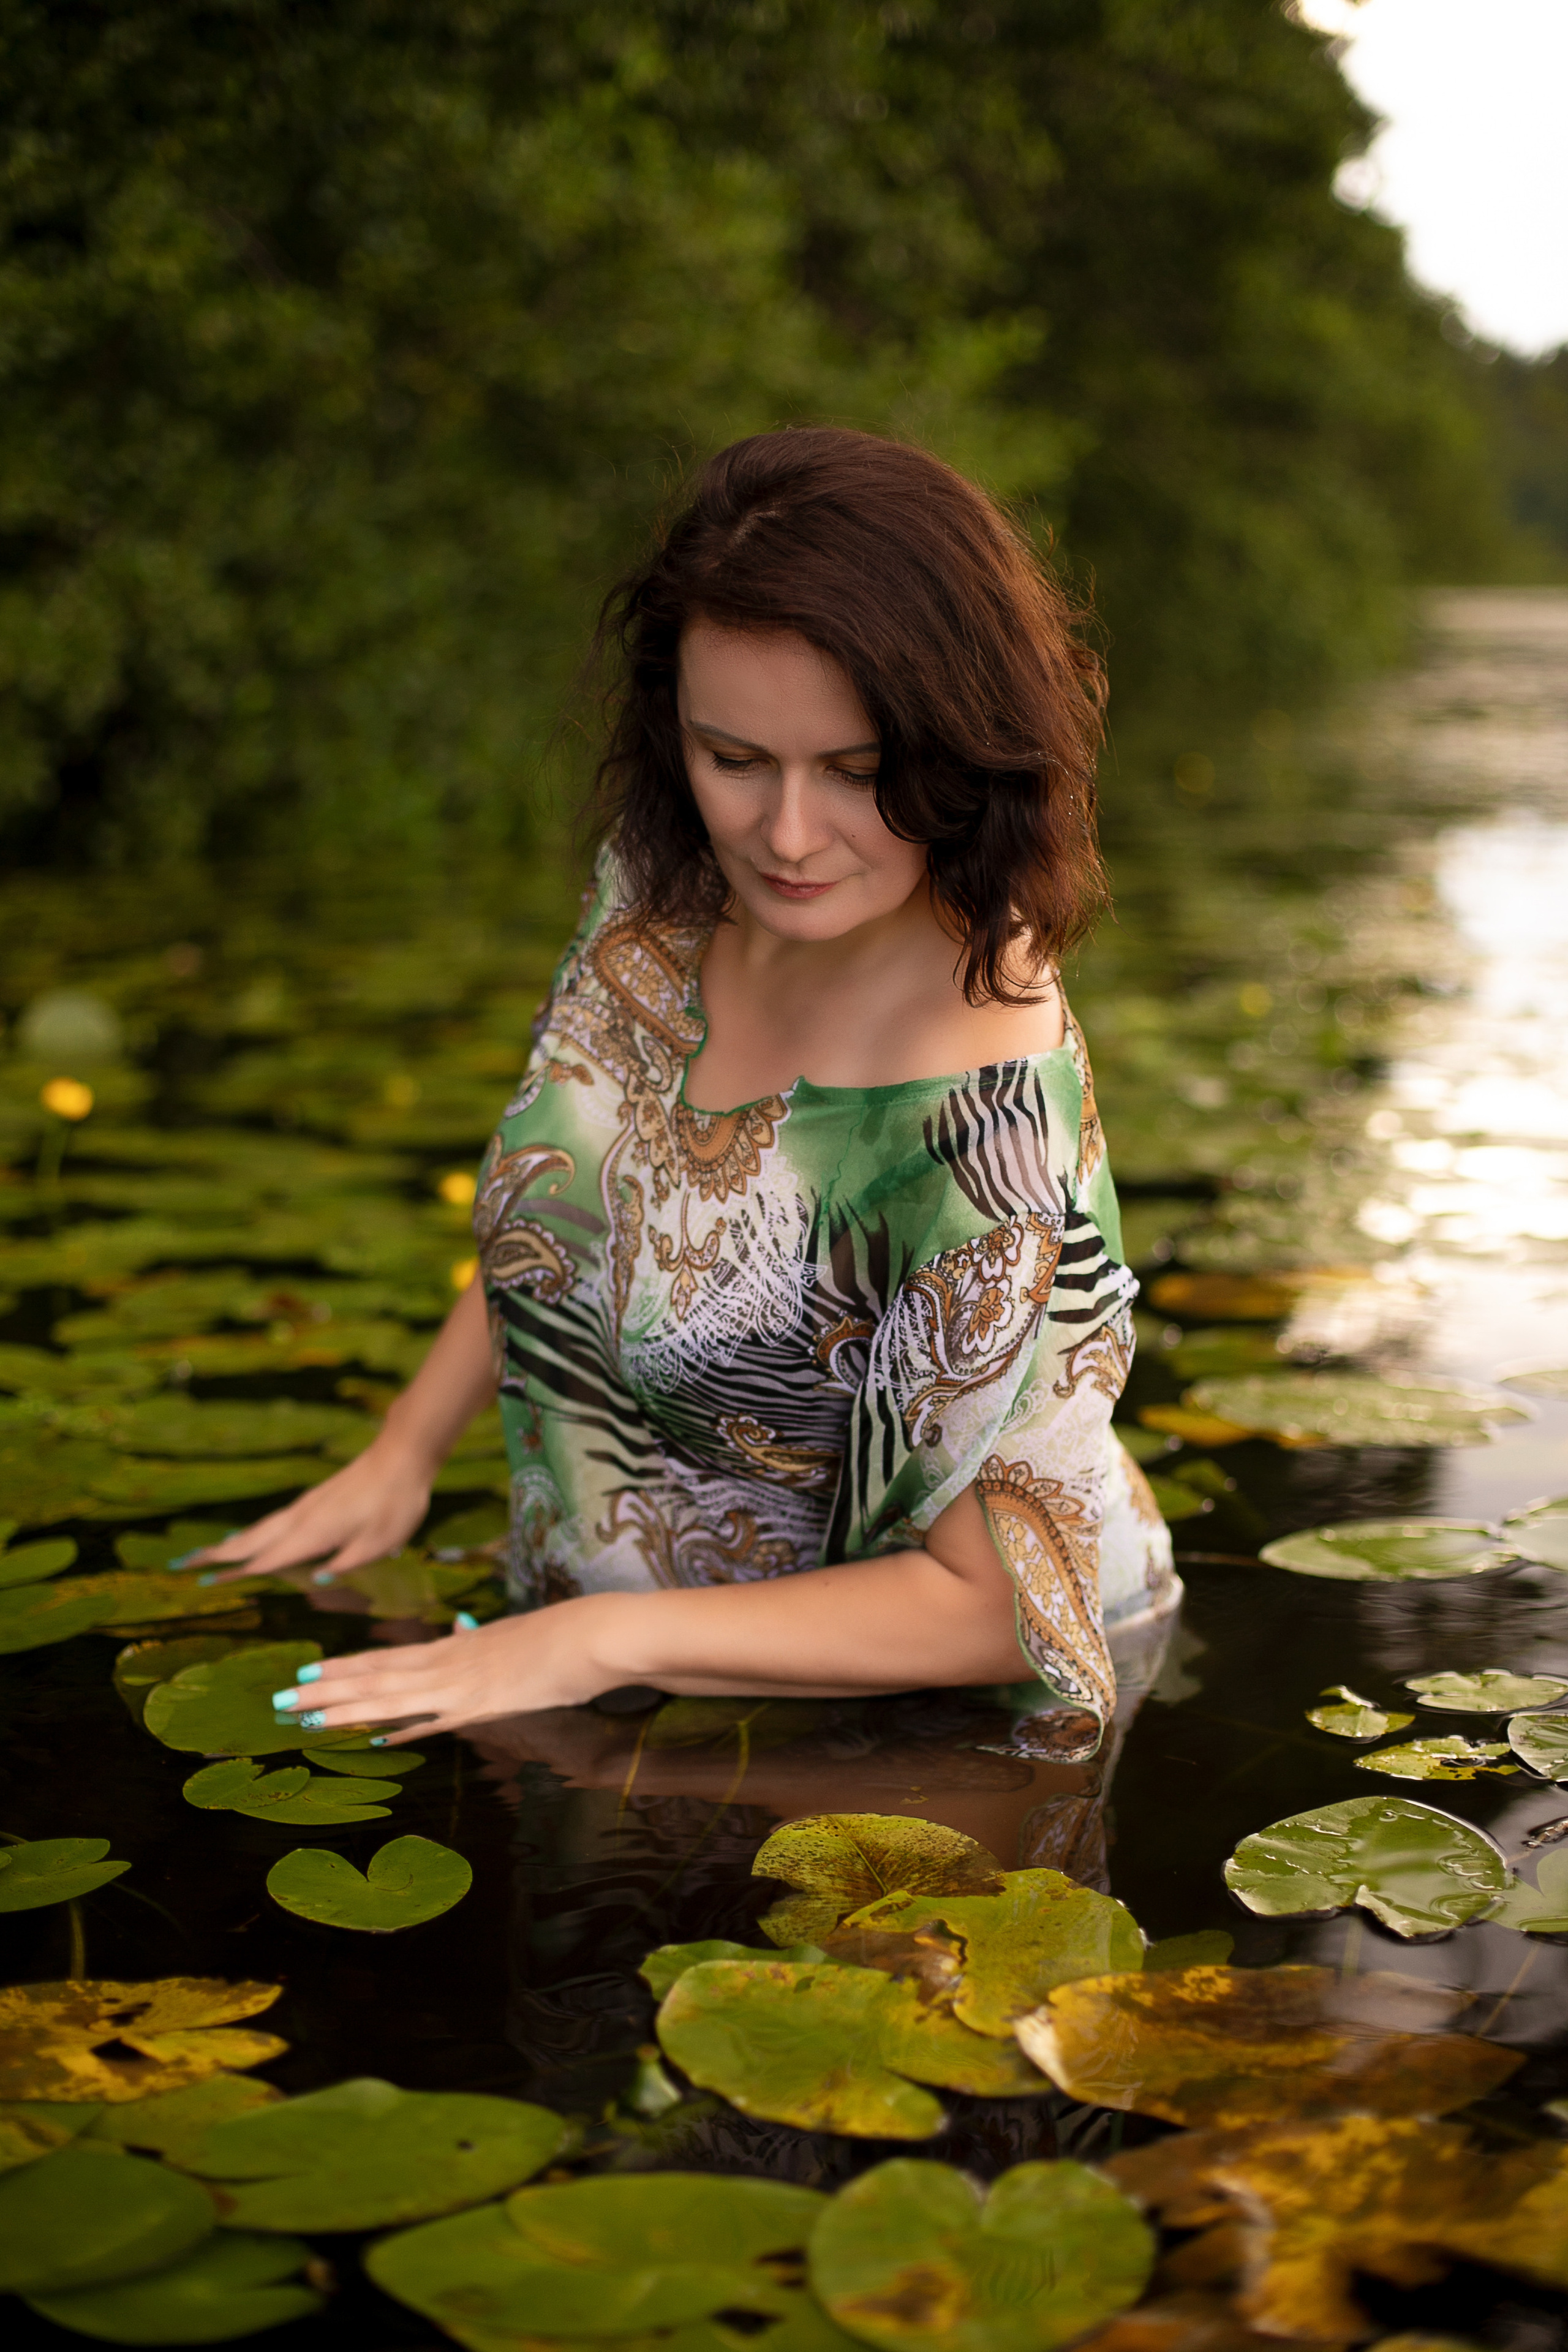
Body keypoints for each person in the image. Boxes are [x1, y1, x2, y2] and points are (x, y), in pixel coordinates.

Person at [196, 428, 1176, 1751]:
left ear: (963, 746)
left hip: (918, 1718)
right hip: (602, 1656)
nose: (782, 837)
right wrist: (402, 1451)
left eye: (856, 770)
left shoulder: (976, 1116)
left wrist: (590, 1641)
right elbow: (573, 1215)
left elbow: (1001, 1610)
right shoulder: (659, 893)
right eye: (733, 758)